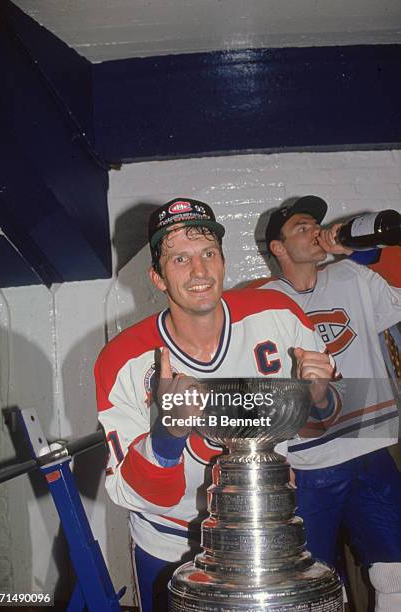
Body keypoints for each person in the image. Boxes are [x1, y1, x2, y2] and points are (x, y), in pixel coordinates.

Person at [94, 197, 337, 612]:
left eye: (208, 254)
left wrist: (319, 396)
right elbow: (135, 493)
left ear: (224, 262)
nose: (199, 271)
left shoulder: (279, 314)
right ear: (158, 278)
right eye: (180, 259)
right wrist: (169, 431)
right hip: (171, 543)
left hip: (268, 535)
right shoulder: (122, 360)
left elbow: (326, 421)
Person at [252, 195, 401, 611]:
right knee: (309, 581)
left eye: (316, 225)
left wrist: (365, 252)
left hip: (371, 451)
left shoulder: (353, 276)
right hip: (308, 464)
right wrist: (274, 457)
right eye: (302, 227)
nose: (315, 232)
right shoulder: (259, 301)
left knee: (396, 570)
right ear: (278, 248)